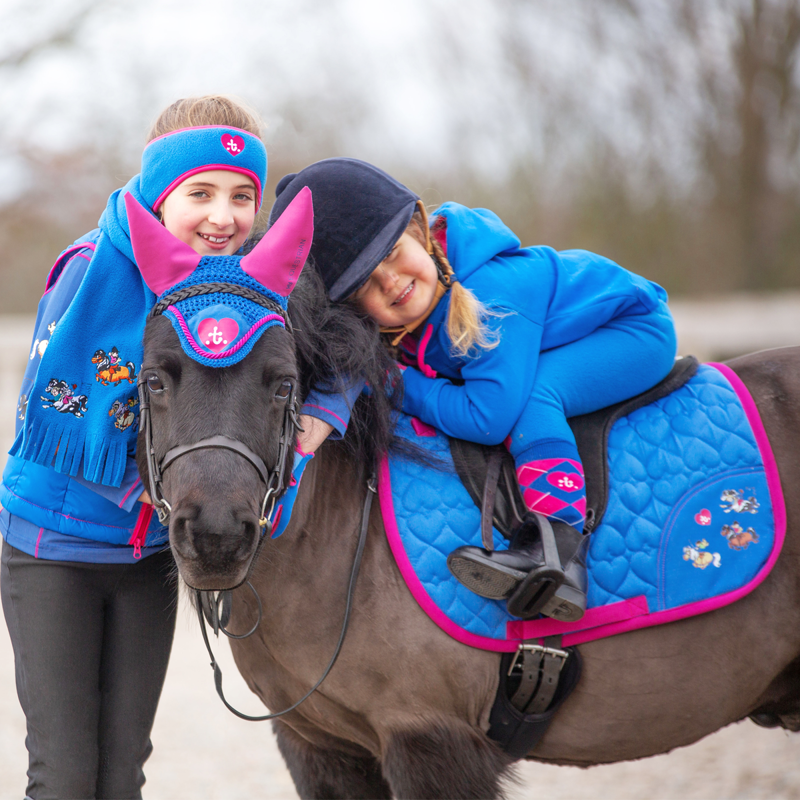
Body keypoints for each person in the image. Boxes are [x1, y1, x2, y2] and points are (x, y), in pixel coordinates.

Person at [270, 157, 677, 623]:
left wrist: (397, 384)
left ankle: (559, 551)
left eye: (390, 254)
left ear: (419, 230)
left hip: (631, 331)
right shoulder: (416, 308)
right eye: (365, 285)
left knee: (534, 401)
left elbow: (488, 418)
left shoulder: (492, 296)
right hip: (565, 337)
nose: (391, 282)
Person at [0, 95, 267, 799]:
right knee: (63, 772)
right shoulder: (92, 269)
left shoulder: (236, 292)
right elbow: (56, 406)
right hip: (54, 548)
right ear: (158, 192)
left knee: (123, 773)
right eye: (201, 192)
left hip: (147, 553)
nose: (223, 215)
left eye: (243, 196)